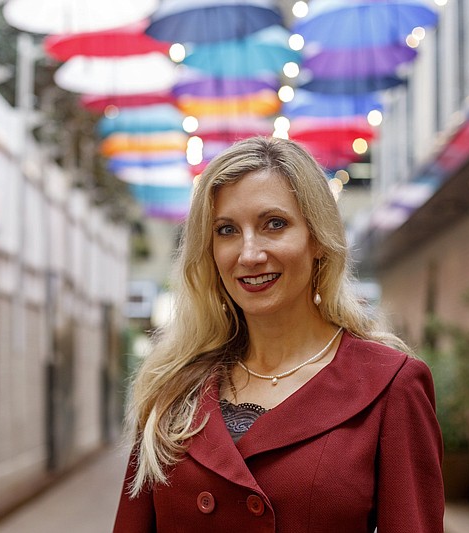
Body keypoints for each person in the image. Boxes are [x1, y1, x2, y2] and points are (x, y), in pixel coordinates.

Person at [113, 136, 444, 532]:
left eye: (274, 224)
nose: (249, 254)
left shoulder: (390, 385)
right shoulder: (173, 385)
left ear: (317, 239)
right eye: (227, 230)